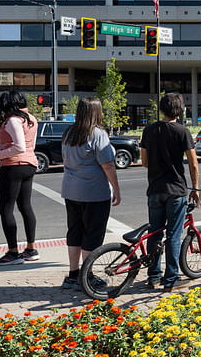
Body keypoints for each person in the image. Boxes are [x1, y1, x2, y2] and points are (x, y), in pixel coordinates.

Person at [59, 97, 122, 290]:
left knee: (75, 232)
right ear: (96, 112)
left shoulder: (69, 133)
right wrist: (116, 189)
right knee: (92, 234)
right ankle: (87, 276)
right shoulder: (97, 134)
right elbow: (108, 165)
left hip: (71, 190)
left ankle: (73, 274)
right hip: (94, 192)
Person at [140, 92, 200, 292]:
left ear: (161, 109)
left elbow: (145, 162)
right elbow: (193, 163)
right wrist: (196, 188)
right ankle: (171, 280)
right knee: (174, 235)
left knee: (154, 233)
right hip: (176, 189)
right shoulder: (182, 132)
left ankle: (153, 276)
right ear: (180, 110)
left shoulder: (149, 130)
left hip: (155, 188)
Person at [0, 91, 39, 266]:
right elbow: (30, 145)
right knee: (25, 206)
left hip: (13, 166)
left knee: (6, 209)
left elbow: (19, 147)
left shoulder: (13, 120)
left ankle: (13, 253)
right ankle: (31, 249)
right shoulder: (31, 118)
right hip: (29, 165)